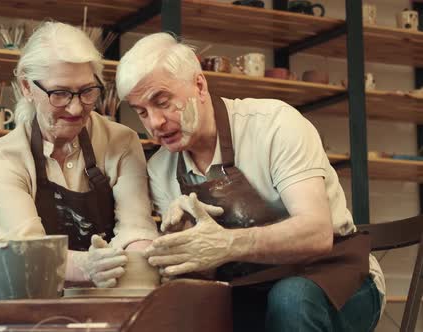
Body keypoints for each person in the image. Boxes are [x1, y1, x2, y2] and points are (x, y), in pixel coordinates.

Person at [116, 32, 385, 331]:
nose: (155, 123)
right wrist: (187, 248)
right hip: (251, 288)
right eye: (141, 112)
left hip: (338, 276)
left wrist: (228, 243)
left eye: (162, 102)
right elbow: (205, 273)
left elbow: (317, 232)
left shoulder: (274, 124)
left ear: (199, 85)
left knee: (291, 298)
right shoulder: (160, 168)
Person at [0, 22, 158, 288]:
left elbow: (136, 229)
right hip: (39, 294)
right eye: (60, 93)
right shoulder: (4, 158)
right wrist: (85, 265)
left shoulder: (121, 141)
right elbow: (27, 250)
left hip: (112, 289)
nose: (76, 108)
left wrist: (137, 259)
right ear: (27, 87)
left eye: (87, 91)